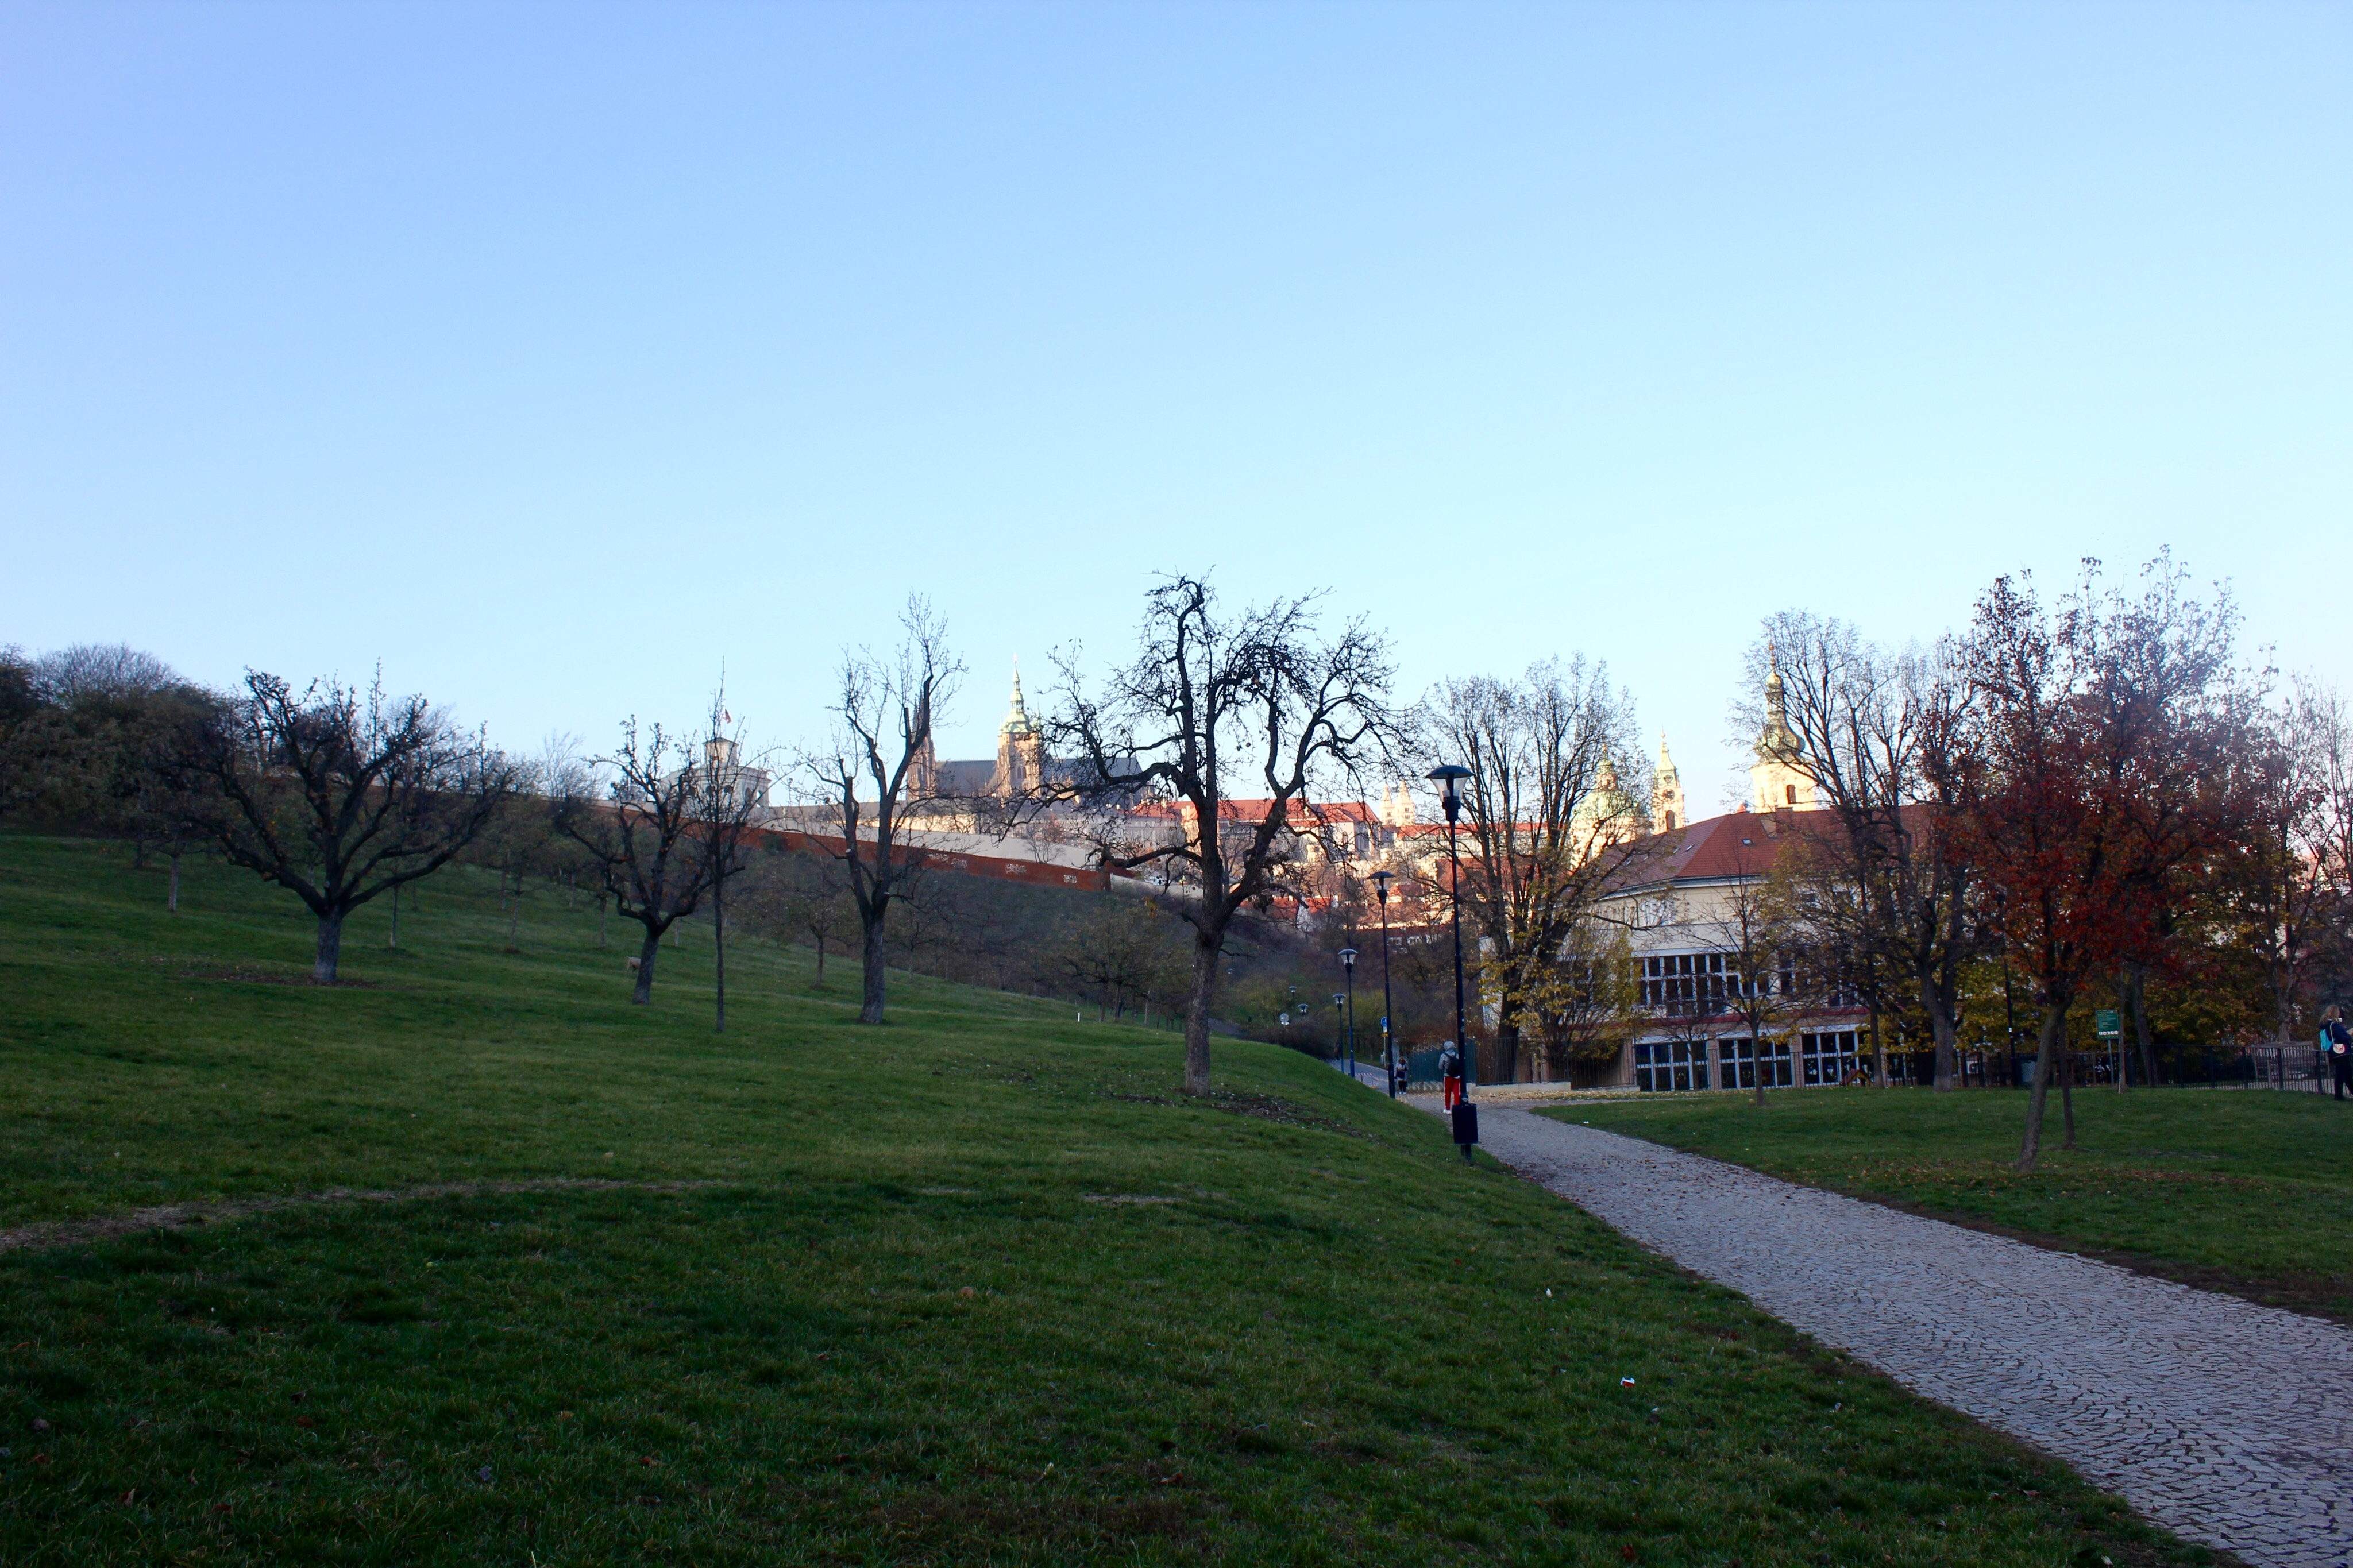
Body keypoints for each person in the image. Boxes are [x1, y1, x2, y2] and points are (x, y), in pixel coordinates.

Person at [2323, 1006, 2352, 1102]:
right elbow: (2342, 1038)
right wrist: (2349, 1034)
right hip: (2341, 1052)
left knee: (2347, 1074)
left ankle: (2340, 1095)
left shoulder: (2328, 1025)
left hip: (2337, 1052)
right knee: (2342, 1074)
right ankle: (2338, 1096)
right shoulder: (2334, 1025)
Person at [1440, 1041, 1464, 1110]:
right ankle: (1457, 1108)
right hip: (1456, 1076)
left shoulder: (1443, 1056)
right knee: (1457, 1092)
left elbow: (1440, 1067)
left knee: (1448, 1093)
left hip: (1448, 1076)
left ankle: (1448, 1109)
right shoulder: (1457, 1055)